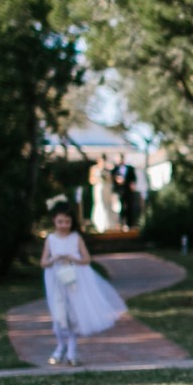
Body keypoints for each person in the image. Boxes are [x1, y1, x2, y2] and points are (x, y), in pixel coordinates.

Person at [40, 203, 128, 366]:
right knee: (59, 316)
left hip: (75, 279)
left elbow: (86, 259)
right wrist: (54, 259)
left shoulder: (75, 238)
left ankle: (72, 352)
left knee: (73, 316)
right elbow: (43, 262)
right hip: (56, 281)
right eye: (60, 222)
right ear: (54, 221)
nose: (64, 225)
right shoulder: (51, 239)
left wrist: (73, 258)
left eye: (67, 221)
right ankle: (60, 348)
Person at [88, 155, 117, 233]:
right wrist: (99, 179)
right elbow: (91, 180)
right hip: (98, 188)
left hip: (106, 189)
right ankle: (99, 224)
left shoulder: (107, 170)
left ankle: (108, 224)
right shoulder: (94, 169)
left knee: (107, 205)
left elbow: (110, 181)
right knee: (100, 204)